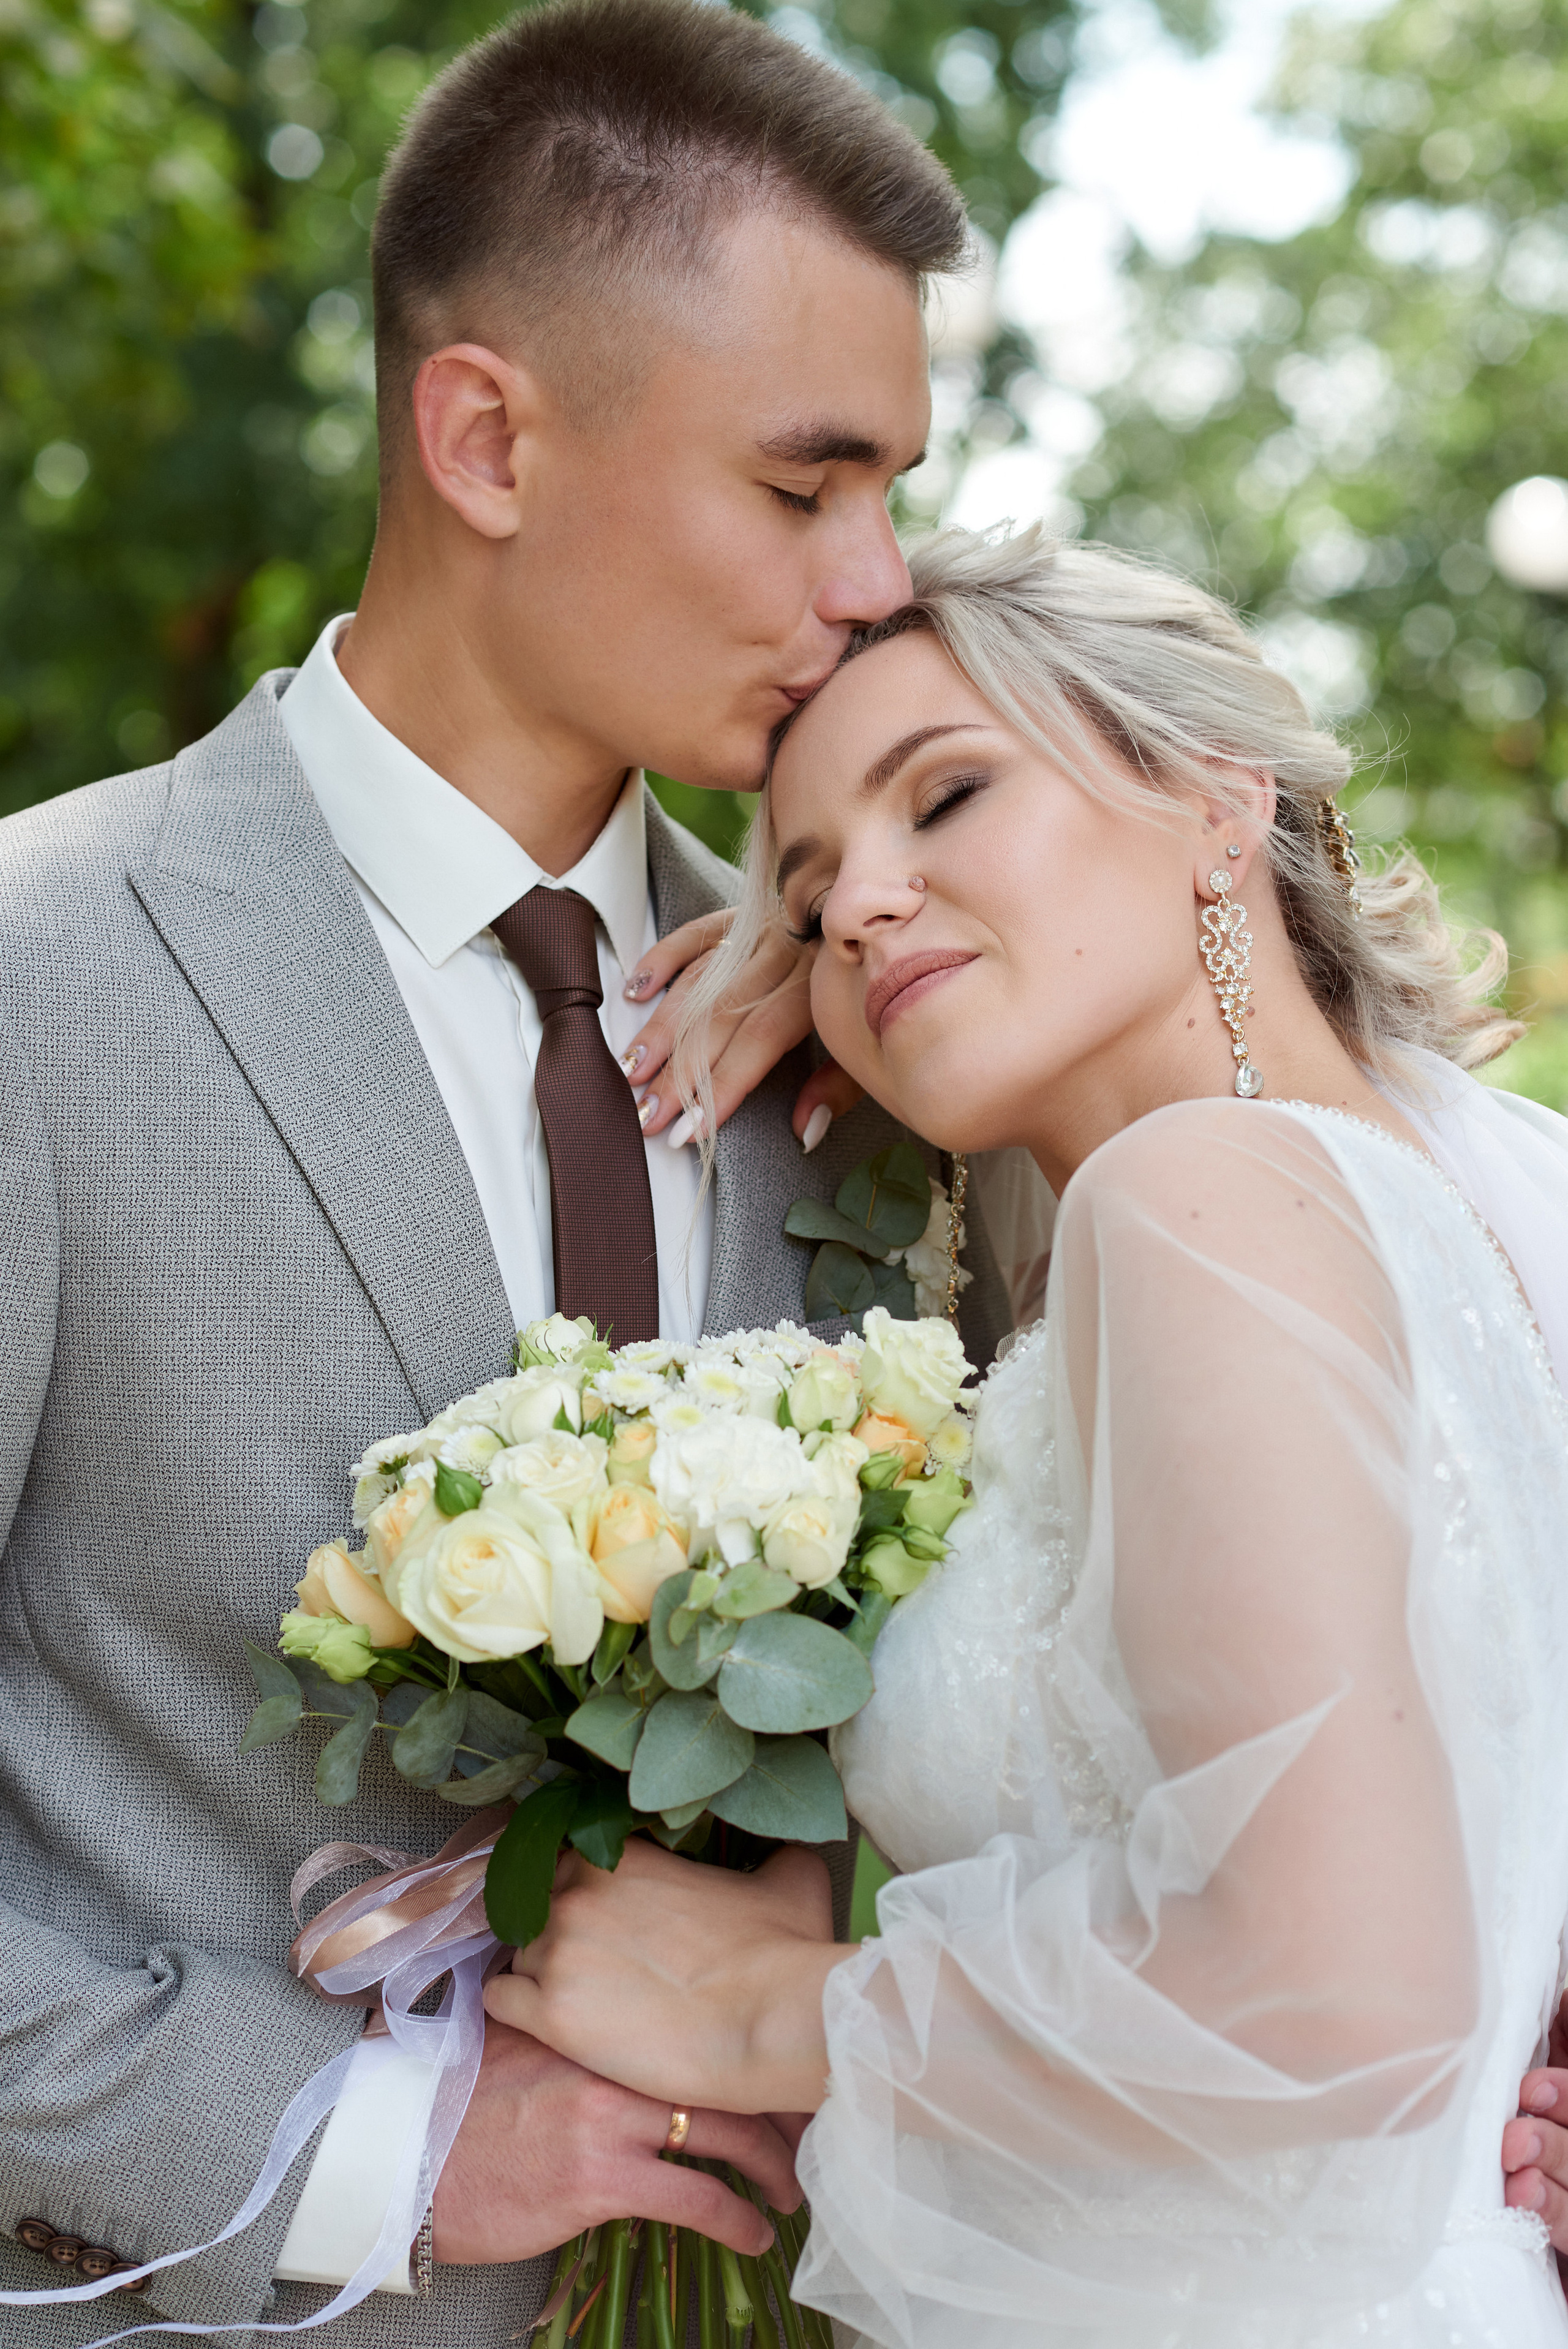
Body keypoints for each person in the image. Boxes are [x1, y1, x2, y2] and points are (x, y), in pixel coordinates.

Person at [0, 7, 1014, 2340]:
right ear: (485, 440)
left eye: (896, 490)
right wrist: (376, 2149)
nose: (878, 582)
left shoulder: (887, 1032)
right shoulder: (42, 973)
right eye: (805, 487)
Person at [488, 527, 1568, 2347]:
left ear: (1218, 805)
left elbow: (1339, 2000)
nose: (855, 907)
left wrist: (762, 2007)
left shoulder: (1199, 1198)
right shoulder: (1412, 1226)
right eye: (806, 898)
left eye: (949, 795)